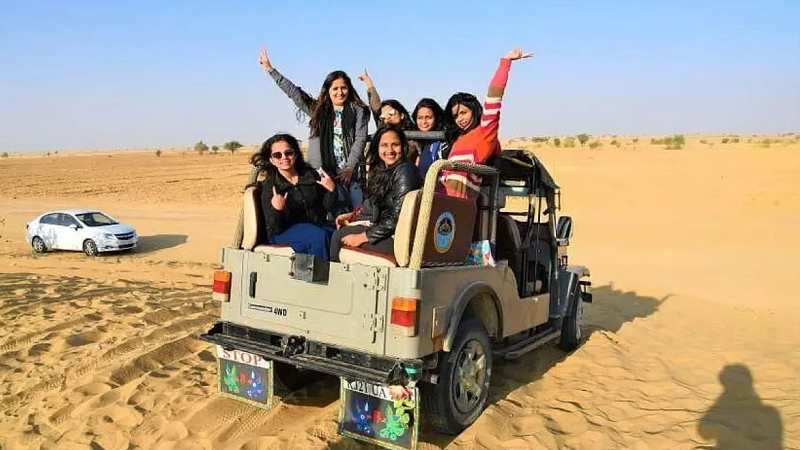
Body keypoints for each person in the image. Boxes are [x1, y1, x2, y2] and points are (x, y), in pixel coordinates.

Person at [259, 47, 370, 214]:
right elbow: (294, 93)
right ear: (328, 91)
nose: (340, 92)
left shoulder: (358, 110)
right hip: (324, 172)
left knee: (356, 212)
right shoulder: (318, 111)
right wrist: (270, 70)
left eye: (343, 88)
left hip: (351, 174)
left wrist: (349, 168)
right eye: (335, 88)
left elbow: (360, 139)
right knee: (330, 212)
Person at [439, 47, 533, 200]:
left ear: (474, 110)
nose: (460, 119)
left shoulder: (484, 134)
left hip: (459, 206)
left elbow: (493, 98)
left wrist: (506, 62)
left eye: (464, 113)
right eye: (455, 116)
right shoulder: (457, 140)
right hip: (442, 202)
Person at [329, 125, 422, 262]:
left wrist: (362, 237)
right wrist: (353, 216)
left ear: (403, 146)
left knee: (338, 237)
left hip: (400, 239)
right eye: (384, 145)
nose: (390, 150)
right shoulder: (383, 171)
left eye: (395, 145)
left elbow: (398, 216)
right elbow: (373, 204)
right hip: (389, 232)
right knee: (338, 229)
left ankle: (335, 281)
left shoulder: (405, 171)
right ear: (377, 148)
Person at [250, 133, 337, 261]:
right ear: (271, 160)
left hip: (314, 225)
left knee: (339, 236)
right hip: (284, 230)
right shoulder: (270, 187)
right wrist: (277, 210)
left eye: (288, 153)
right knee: (318, 236)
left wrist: (331, 191)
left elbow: (326, 207)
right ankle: (319, 278)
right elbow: (273, 227)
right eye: (277, 155)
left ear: (295, 154)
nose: (284, 157)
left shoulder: (310, 175)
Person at [411, 98, 448, 179]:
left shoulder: (444, 143)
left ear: (436, 118)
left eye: (428, 117)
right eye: (420, 118)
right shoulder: (422, 142)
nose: (424, 122)